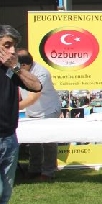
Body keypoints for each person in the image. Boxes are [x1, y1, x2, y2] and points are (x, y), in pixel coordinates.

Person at [0, 25, 42, 204]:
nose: (12, 50)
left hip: (9, 139)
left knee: (4, 196)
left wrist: (15, 67)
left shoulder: (12, 68)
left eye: (14, 46)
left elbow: (36, 86)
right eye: (7, 45)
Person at [16, 50, 62, 180]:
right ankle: (34, 169)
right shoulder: (19, 71)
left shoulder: (42, 73)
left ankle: (48, 172)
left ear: (24, 65)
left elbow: (33, 98)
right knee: (33, 142)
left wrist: (12, 108)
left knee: (49, 142)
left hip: (48, 110)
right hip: (32, 111)